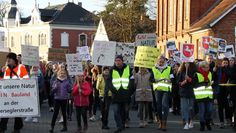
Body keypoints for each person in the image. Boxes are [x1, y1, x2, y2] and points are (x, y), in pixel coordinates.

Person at [0, 52, 29, 133]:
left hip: (18, 95)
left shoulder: (21, 67)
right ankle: (2, 128)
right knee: (5, 112)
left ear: (14, 60)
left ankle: (17, 128)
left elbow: (27, 81)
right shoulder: (5, 69)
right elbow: (1, 82)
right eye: (7, 58)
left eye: (10, 58)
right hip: (7, 95)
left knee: (17, 113)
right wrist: (1, 72)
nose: (8, 60)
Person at [106, 55, 135, 133]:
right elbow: (108, 82)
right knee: (116, 111)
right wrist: (113, 90)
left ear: (122, 61)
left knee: (125, 111)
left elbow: (132, 81)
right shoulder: (112, 70)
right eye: (116, 61)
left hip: (126, 94)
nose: (117, 62)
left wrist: (129, 91)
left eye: (119, 60)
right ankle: (119, 126)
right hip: (116, 95)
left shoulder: (129, 69)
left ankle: (122, 123)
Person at [150, 55, 174, 131]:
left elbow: (172, 78)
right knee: (159, 107)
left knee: (165, 105)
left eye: (162, 62)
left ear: (165, 61)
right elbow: (151, 79)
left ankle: (164, 123)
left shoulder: (169, 68)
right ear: (157, 61)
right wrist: (155, 80)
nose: (161, 63)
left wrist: (171, 80)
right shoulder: (153, 69)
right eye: (160, 61)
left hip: (166, 89)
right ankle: (160, 121)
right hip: (157, 90)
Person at [49, 68, 72, 133]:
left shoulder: (67, 81)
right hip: (57, 99)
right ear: (58, 74)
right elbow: (52, 91)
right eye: (61, 73)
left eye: (64, 73)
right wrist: (54, 88)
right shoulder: (56, 81)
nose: (62, 74)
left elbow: (69, 90)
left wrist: (70, 89)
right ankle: (52, 127)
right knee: (55, 113)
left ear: (65, 74)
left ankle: (65, 127)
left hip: (64, 99)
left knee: (64, 113)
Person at [193, 61, 213, 131]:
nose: (208, 68)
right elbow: (194, 85)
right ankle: (202, 124)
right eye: (206, 67)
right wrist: (204, 83)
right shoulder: (197, 74)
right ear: (202, 68)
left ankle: (207, 122)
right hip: (200, 96)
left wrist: (211, 83)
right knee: (202, 111)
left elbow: (211, 81)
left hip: (209, 95)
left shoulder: (210, 73)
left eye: (208, 67)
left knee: (209, 111)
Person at [178, 62, 196, 130]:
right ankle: (186, 122)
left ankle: (191, 119)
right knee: (184, 108)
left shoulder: (194, 72)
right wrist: (182, 83)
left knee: (191, 108)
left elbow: (195, 82)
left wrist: (189, 79)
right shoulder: (181, 71)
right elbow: (178, 82)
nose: (187, 65)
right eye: (185, 63)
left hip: (191, 92)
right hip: (183, 92)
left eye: (188, 63)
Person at [217, 58, 231, 128]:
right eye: (224, 63)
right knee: (220, 107)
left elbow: (230, 75)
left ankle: (228, 119)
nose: (225, 64)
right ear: (222, 63)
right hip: (219, 90)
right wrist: (214, 71)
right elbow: (214, 77)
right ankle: (221, 121)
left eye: (226, 63)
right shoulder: (218, 69)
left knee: (227, 107)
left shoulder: (229, 69)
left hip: (227, 91)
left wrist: (225, 69)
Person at [228, 57, 236, 130]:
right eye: (230, 60)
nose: (231, 61)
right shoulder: (227, 68)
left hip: (234, 91)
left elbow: (232, 76)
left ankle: (234, 124)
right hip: (230, 92)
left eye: (232, 60)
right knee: (232, 109)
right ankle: (233, 122)